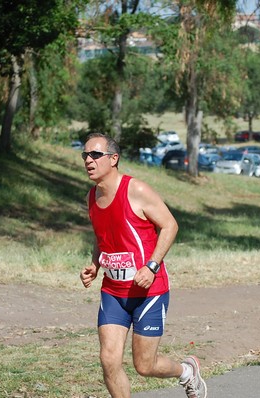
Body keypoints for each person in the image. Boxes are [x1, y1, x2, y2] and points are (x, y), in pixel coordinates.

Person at [79, 133, 207, 398]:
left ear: (114, 159)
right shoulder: (92, 197)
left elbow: (170, 225)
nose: (88, 160)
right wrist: (94, 264)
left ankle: (186, 371)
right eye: (85, 155)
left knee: (144, 365)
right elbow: (100, 235)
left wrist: (151, 266)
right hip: (114, 292)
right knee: (109, 360)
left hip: (149, 291)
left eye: (95, 155)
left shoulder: (135, 190)